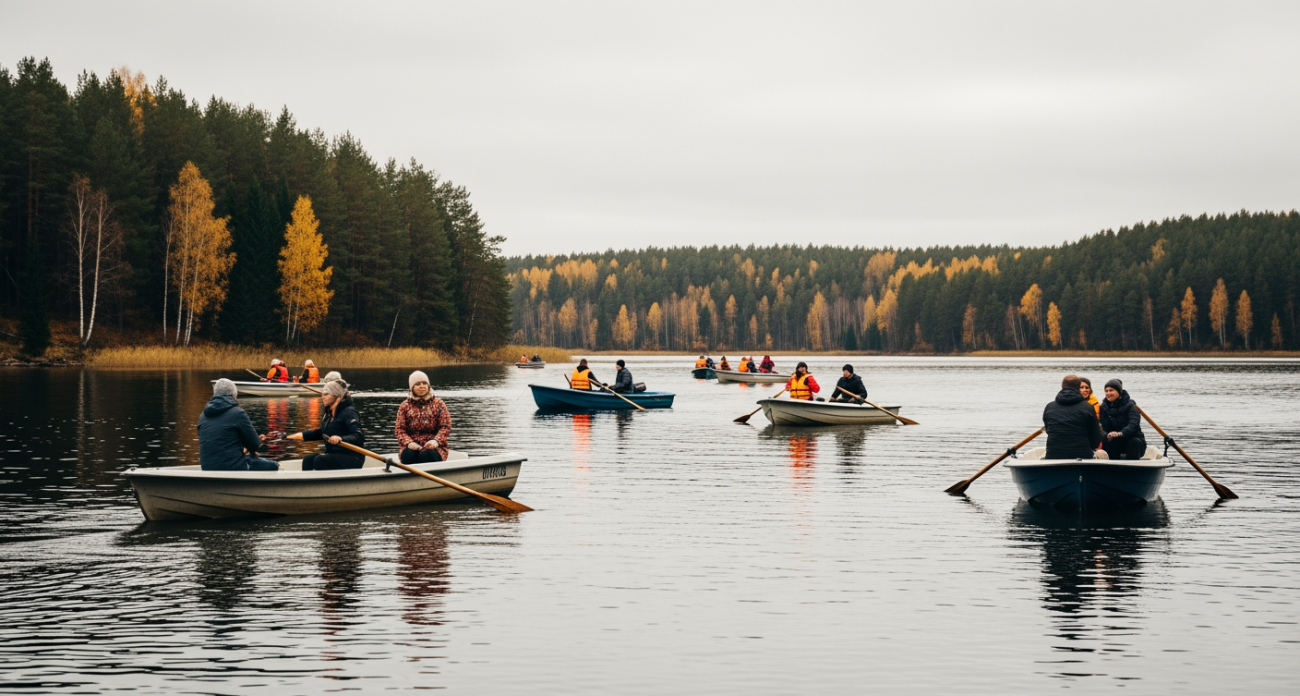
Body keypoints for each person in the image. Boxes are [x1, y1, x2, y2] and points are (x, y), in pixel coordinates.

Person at [198, 379, 279, 471]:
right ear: (233, 394)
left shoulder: (203, 415)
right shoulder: (237, 413)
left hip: (207, 468)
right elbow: (254, 444)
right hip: (233, 468)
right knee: (273, 466)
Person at [288, 379, 365, 470]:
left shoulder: (349, 412)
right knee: (308, 459)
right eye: (322, 394)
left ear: (337, 397)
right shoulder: (329, 413)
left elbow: (358, 435)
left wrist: (341, 438)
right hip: (335, 454)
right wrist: (299, 436)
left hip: (352, 457)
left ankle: (323, 484)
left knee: (320, 460)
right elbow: (323, 433)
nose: (322, 397)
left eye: (326, 394)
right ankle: (307, 483)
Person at [395, 370, 451, 464]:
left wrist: (435, 441)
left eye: (424, 383)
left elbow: (445, 427)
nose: (422, 386)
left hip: (435, 448)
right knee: (408, 455)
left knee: (427, 455)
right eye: (417, 384)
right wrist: (409, 443)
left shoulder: (439, 404)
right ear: (412, 388)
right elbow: (399, 430)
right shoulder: (404, 406)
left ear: (428, 386)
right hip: (411, 446)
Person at [1043, 374, 1103, 460]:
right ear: (1079, 388)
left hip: (1053, 456)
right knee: (1102, 454)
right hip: (1082, 456)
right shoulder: (1088, 408)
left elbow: (1048, 430)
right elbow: (1095, 441)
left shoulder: (1049, 407)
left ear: (1062, 386)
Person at [1099, 379, 1147, 460]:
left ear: (1119, 392)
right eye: (1106, 391)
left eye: (1111, 390)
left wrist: (1120, 433)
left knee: (1134, 443)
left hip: (1133, 438)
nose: (1108, 393)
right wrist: (1108, 434)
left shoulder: (1132, 406)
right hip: (1115, 441)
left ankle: (1133, 468)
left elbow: (1133, 425)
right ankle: (1111, 467)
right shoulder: (1103, 407)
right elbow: (1104, 426)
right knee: (1108, 441)